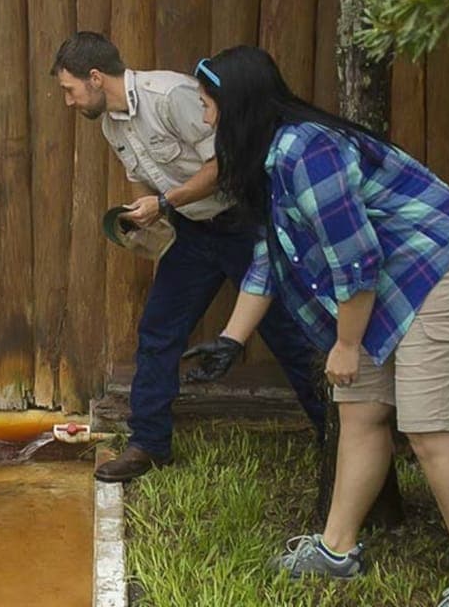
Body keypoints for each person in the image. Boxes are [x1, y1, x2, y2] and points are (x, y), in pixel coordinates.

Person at [188, 45, 449, 607]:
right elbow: (272, 256)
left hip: (445, 270)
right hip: (387, 290)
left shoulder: (307, 151)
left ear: (236, 103)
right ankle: (337, 550)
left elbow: (357, 258)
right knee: (360, 411)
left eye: (207, 102)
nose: (204, 115)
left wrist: (345, 343)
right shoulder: (273, 158)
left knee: (431, 430)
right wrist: (230, 339)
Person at [50, 31, 326, 483]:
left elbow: (224, 165)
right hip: (192, 232)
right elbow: (147, 180)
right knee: (158, 332)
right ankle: (149, 444)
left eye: (69, 89)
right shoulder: (109, 124)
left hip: (244, 224)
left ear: (95, 78)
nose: (68, 100)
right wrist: (147, 221)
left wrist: (165, 203)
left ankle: (335, 439)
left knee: (289, 337)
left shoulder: (172, 96)